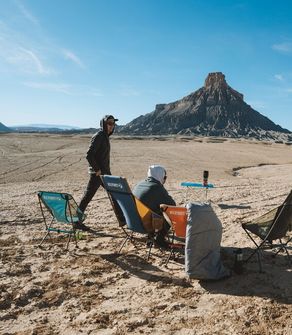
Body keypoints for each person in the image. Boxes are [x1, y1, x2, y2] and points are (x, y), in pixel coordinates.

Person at [76, 115, 118, 231]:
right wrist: (97, 169)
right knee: (88, 197)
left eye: (113, 124)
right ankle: (76, 221)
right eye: (109, 123)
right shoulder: (99, 136)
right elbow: (89, 154)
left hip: (104, 173)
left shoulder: (105, 136)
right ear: (104, 124)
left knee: (114, 194)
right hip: (98, 174)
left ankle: (123, 219)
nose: (111, 126)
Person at [133, 164, 176, 248]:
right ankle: (159, 239)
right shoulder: (157, 188)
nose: (165, 179)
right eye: (164, 177)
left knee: (153, 208)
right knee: (168, 213)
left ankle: (151, 236)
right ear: (160, 176)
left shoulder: (140, 183)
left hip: (133, 221)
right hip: (145, 224)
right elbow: (172, 205)